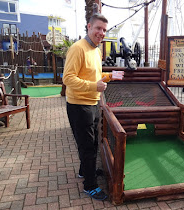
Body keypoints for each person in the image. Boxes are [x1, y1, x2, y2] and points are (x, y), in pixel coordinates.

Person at [63, 13, 123, 201]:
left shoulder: (96, 50)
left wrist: (110, 76)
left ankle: (84, 170)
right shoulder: (77, 48)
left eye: (104, 30)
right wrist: (93, 86)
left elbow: (93, 76)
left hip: (92, 102)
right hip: (79, 105)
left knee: (92, 141)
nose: (101, 33)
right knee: (87, 146)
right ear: (89, 26)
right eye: (98, 28)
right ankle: (89, 186)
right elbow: (68, 78)